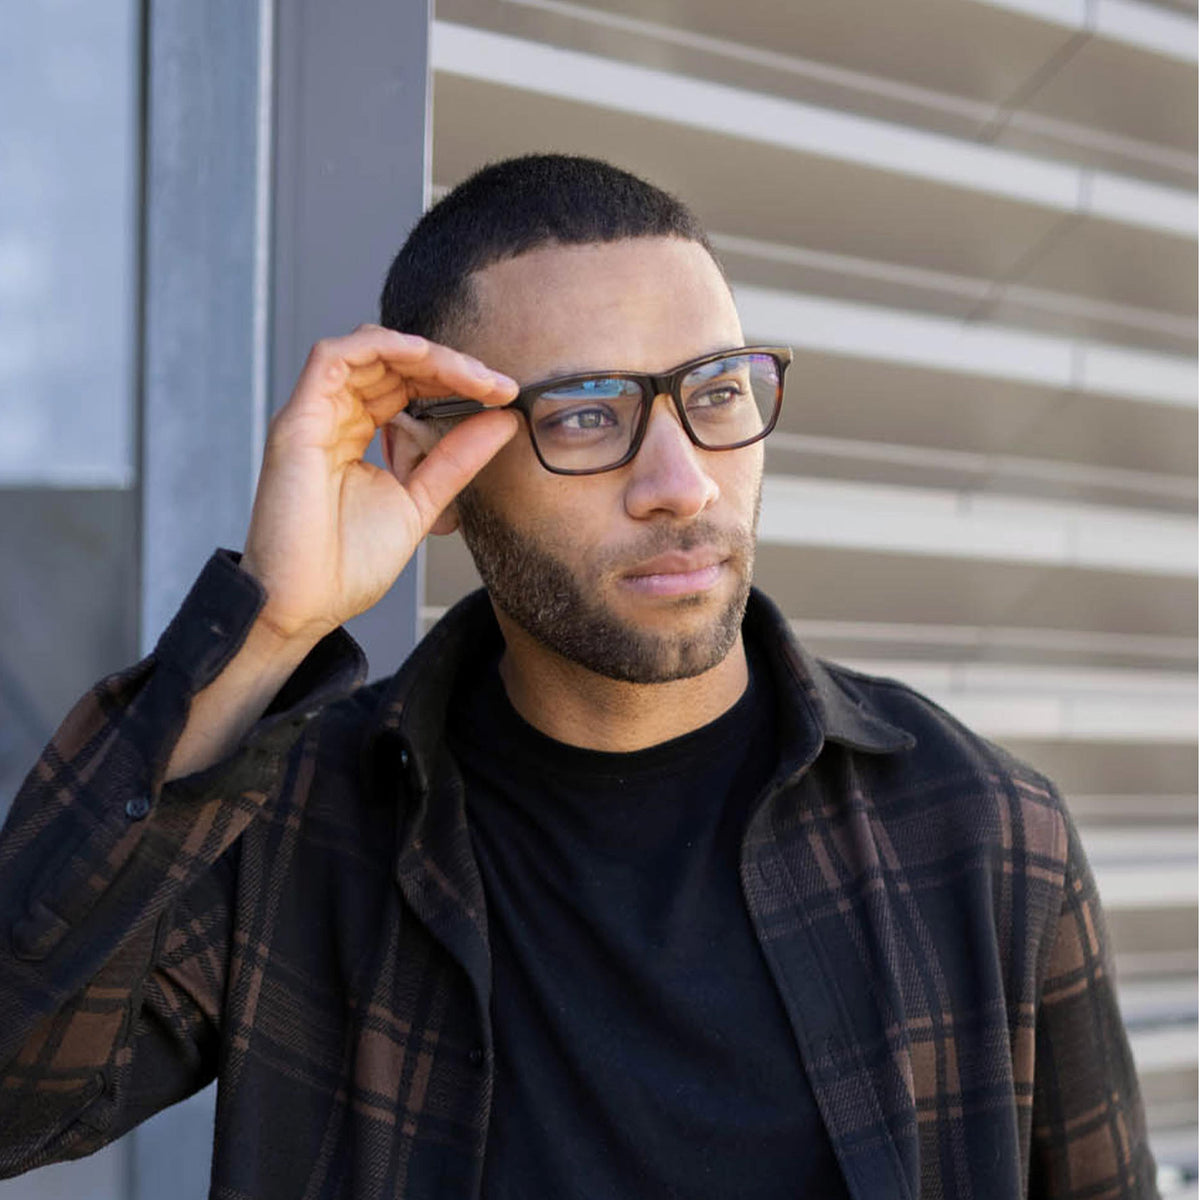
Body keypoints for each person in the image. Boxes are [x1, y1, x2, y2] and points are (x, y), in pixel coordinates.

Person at [0, 154, 1157, 1199]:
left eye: (715, 393)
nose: (682, 483)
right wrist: (269, 624)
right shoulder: (300, 827)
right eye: (588, 413)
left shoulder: (986, 835)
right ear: (433, 470)